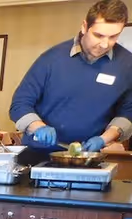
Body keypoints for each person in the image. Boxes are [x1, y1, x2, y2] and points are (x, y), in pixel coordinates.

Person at [10, 0, 131, 162]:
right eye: (99, 35)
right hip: (38, 155)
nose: (104, 44)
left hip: (89, 157)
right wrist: (38, 126)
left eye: (113, 37)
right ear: (84, 26)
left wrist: (105, 138)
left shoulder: (127, 64)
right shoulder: (51, 59)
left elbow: (127, 111)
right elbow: (19, 104)